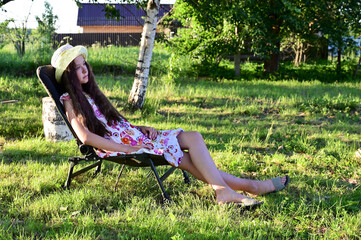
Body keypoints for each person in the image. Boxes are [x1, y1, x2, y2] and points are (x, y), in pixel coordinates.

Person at [51, 44, 290, 209]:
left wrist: (142, 128)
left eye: (85, 65)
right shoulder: (70, 101)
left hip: (134, 138)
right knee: (183, 155)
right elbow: (86, 137)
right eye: (78, 68)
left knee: (193, 137)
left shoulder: (90, 94)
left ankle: (228, 190)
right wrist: (128, 149)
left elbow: (115, 124)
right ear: (68, 75)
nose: (85, 70)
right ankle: (248, 187)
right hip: (124, 147)